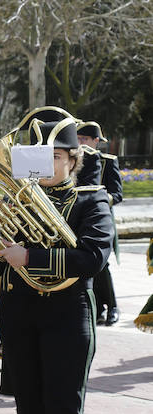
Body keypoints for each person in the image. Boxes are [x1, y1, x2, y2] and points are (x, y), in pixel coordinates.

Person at [0, 118, 112, 414]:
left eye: (56, 156)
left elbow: (93, 257)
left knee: (63, 411)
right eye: (36, 157)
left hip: (67, 315)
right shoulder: (14, 200)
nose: (45, 165)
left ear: (73, 159)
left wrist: (29, 256)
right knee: (30, 409)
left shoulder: (90, 200)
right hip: (19, 313)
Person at [76, 120, 123, 326]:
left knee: (102, 265)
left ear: (96, 141)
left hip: (99, 218)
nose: (80, 143)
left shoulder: (107, 160)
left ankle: (112, 306)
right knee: (89, 265)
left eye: (85, 139)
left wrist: (100, 201)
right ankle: (99, 308)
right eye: (77, 139)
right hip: (79, 217)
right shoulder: (74, 159)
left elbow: (117, 193)